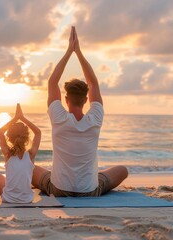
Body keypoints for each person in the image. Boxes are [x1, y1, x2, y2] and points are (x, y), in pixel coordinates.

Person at [32, 26, 128, 197]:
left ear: (66, 99)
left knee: (29, 168)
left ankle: (89, 178)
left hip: (58, 189)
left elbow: (52, 82)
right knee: (122, 170)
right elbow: (93, 84)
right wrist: (79, 53)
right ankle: (92, 178)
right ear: (86, 100)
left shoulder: (59, 117)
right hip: (89, 190)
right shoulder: (95, 118)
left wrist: (69, 51)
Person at [0, 104, 41, 203]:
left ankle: (11, 194)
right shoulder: (31, 155)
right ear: (26, 137)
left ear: (10, 138)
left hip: (8, 199)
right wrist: (22, 118)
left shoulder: (8, 154)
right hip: (27, 200)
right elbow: (38, 133)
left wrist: (15, 118)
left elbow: (0, 133)